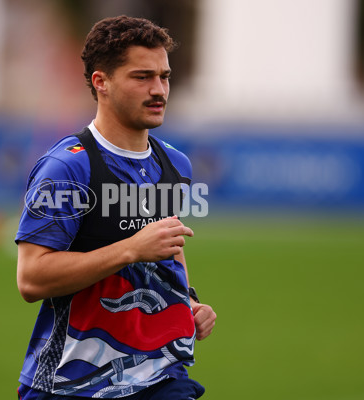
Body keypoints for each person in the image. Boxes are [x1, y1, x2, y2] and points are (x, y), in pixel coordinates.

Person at [15, 15, 216, 399]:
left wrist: (188, 299)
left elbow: (167, 245)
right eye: (142, 77)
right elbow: (32, 279)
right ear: (101, 82)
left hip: (161, 372)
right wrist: (130, 249)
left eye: (164, 76)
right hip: (73, 381)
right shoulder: (68, 167)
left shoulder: (176, 165)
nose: (159, 90)